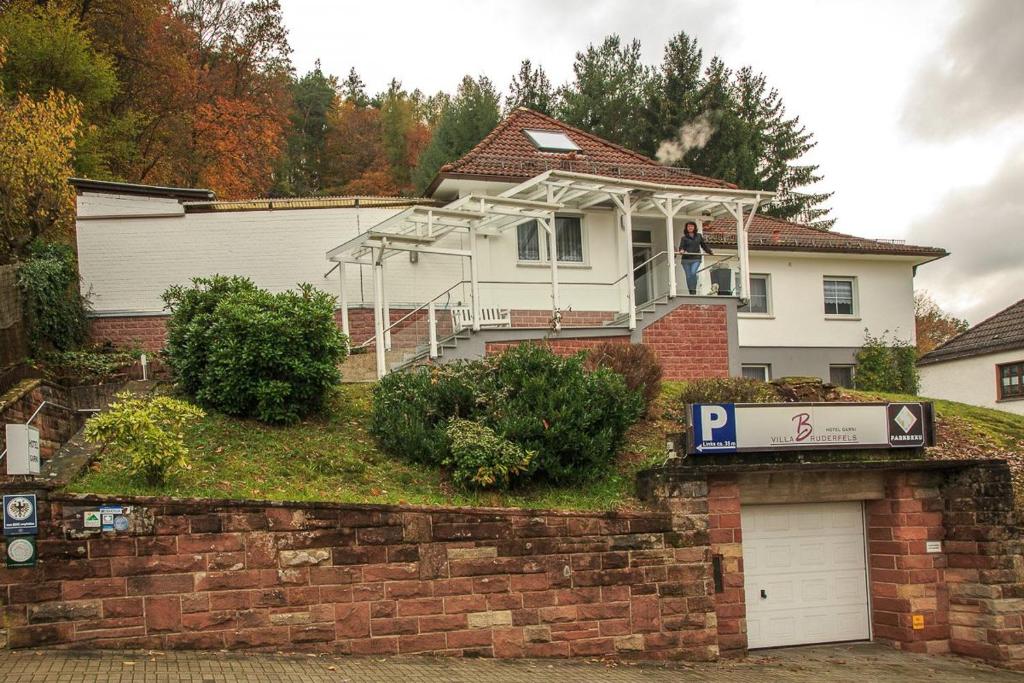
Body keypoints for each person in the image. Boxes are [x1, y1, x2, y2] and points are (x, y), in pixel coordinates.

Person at [677, 221, 714, 295]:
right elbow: (681, 247)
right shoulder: (684, 238)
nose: (690, 227)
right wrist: (682, 250)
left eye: (692, 226)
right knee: (688, 276)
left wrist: (709, 251)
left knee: (693, 273)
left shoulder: (699, 236)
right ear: (686, 228)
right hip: (686, 259)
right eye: (688, 226)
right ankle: (691, 292)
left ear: (694, 227)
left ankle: (694, 289)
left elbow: (703, 245)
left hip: (696, 258)